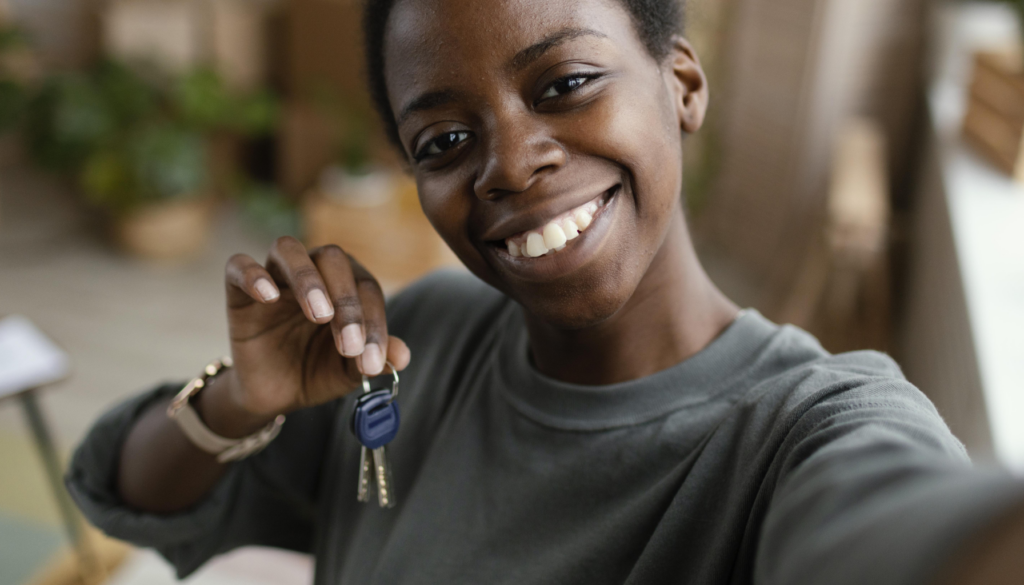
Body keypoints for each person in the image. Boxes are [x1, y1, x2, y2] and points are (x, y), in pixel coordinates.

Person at [66, 0, 1024, 583]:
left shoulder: (804, 430)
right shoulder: (415, 347)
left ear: (682, 83)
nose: (511, 165)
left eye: (564, 82)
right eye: (444, 141)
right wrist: (242, 398)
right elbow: (125, 493)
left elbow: (904, 537)